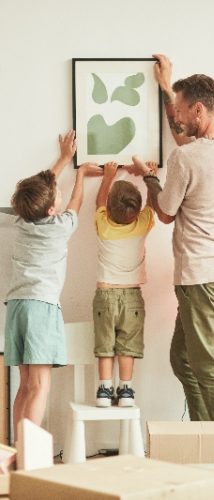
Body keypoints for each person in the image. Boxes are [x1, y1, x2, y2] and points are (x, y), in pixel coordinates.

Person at [126, 54, 214, 421]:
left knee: (207, 364)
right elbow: (188, 146)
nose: (176, 118)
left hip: (199, 274)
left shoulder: (187, 160)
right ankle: (202, 434)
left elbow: (164, 212)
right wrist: (167, 88)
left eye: (181, 110)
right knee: (182, 359)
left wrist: (148, 177)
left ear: (199, 109)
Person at [4, 130, 101, 438]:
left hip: (16, 308)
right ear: (50, 210)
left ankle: (17, 452)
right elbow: (76, 201)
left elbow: (43, 188)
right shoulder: (60, 227)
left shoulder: (19, 221)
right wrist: (81, 174)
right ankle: (29, 455)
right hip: (41, 308)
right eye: (55, 195)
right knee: (41, 386)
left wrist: (62, 159)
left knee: (25, 386)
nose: (60, 194)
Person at [93, 161, 156, 407]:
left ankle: (104, 390)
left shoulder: (103, 225)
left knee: (105, 344)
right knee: (127, 345)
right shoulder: (142, 225)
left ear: (109, 210)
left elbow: (99, 201)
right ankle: (126, 390)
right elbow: (153, 205)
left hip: (105, 294)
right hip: (132, 297)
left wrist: (108, 176)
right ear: (136, 211)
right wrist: (151, 176)